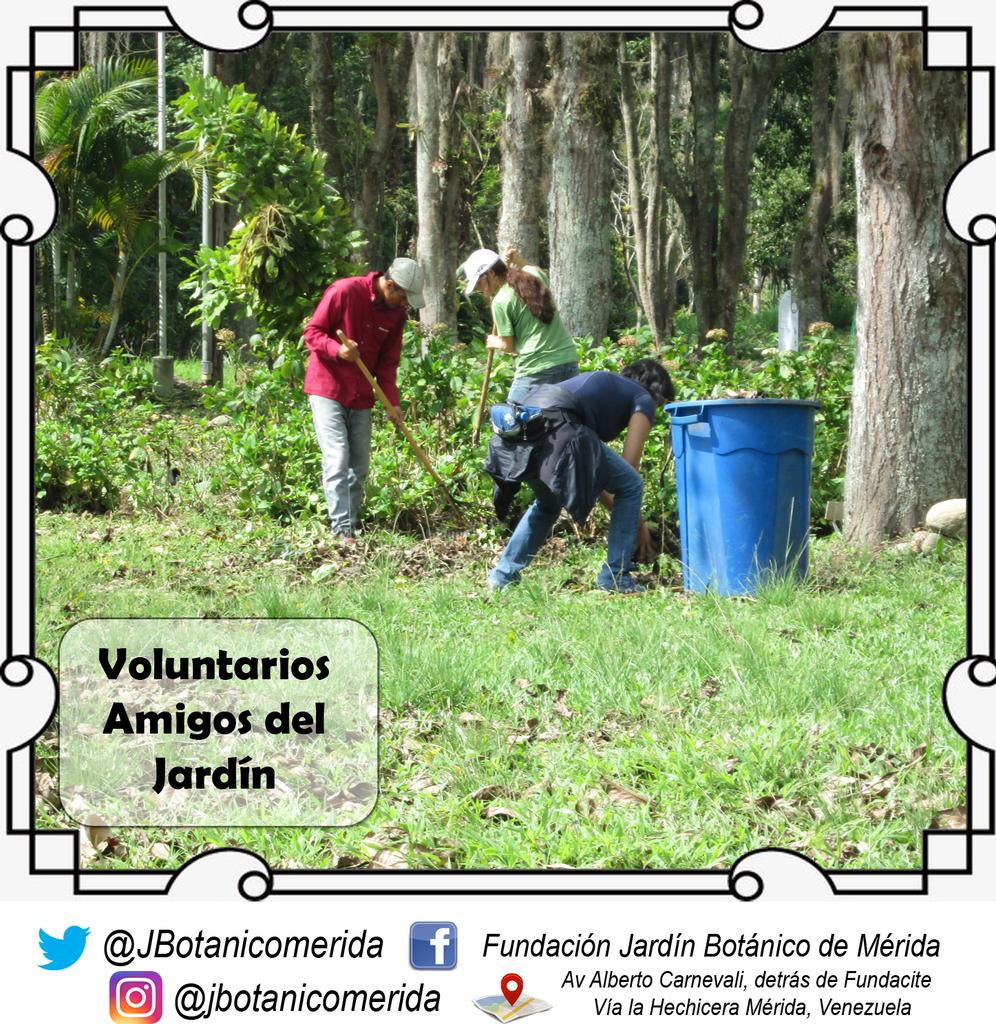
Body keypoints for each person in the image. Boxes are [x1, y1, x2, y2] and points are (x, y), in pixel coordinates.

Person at [485, 359, 675, 593]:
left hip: (520, 427)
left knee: (548, 505)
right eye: (661, 405)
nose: (655, 412)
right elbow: (630, 472)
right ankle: (616, 576)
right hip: (554, 428)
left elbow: (594, 480)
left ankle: (502, 577)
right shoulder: (643, 398)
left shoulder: (602, 389)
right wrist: (639, 528)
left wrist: (627, 518)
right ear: (657, 395)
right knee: (632, 484)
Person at [303, 257, 425, 538]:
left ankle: (351, 524)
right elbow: (312, 333)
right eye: (404, 297)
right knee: (337, 457)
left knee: (359, 465)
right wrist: (338, 350)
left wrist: (392, 402)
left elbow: (387, 363)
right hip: (328, 388)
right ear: (390, 285)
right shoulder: (345, 291)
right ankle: (341, 529)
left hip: (362, 394)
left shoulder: (396, 316)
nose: (405, 304)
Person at [461, 246, 579, 402]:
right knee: (563, 416)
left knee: (509, 420)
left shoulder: (500, 302)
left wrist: (495, 342)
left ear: (490, 274)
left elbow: (508, 346)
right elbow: (533, 269)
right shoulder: (534, 276)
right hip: (568, 360)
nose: (478, 289)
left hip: (537, 368)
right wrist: (517, 260)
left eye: (478, 283)